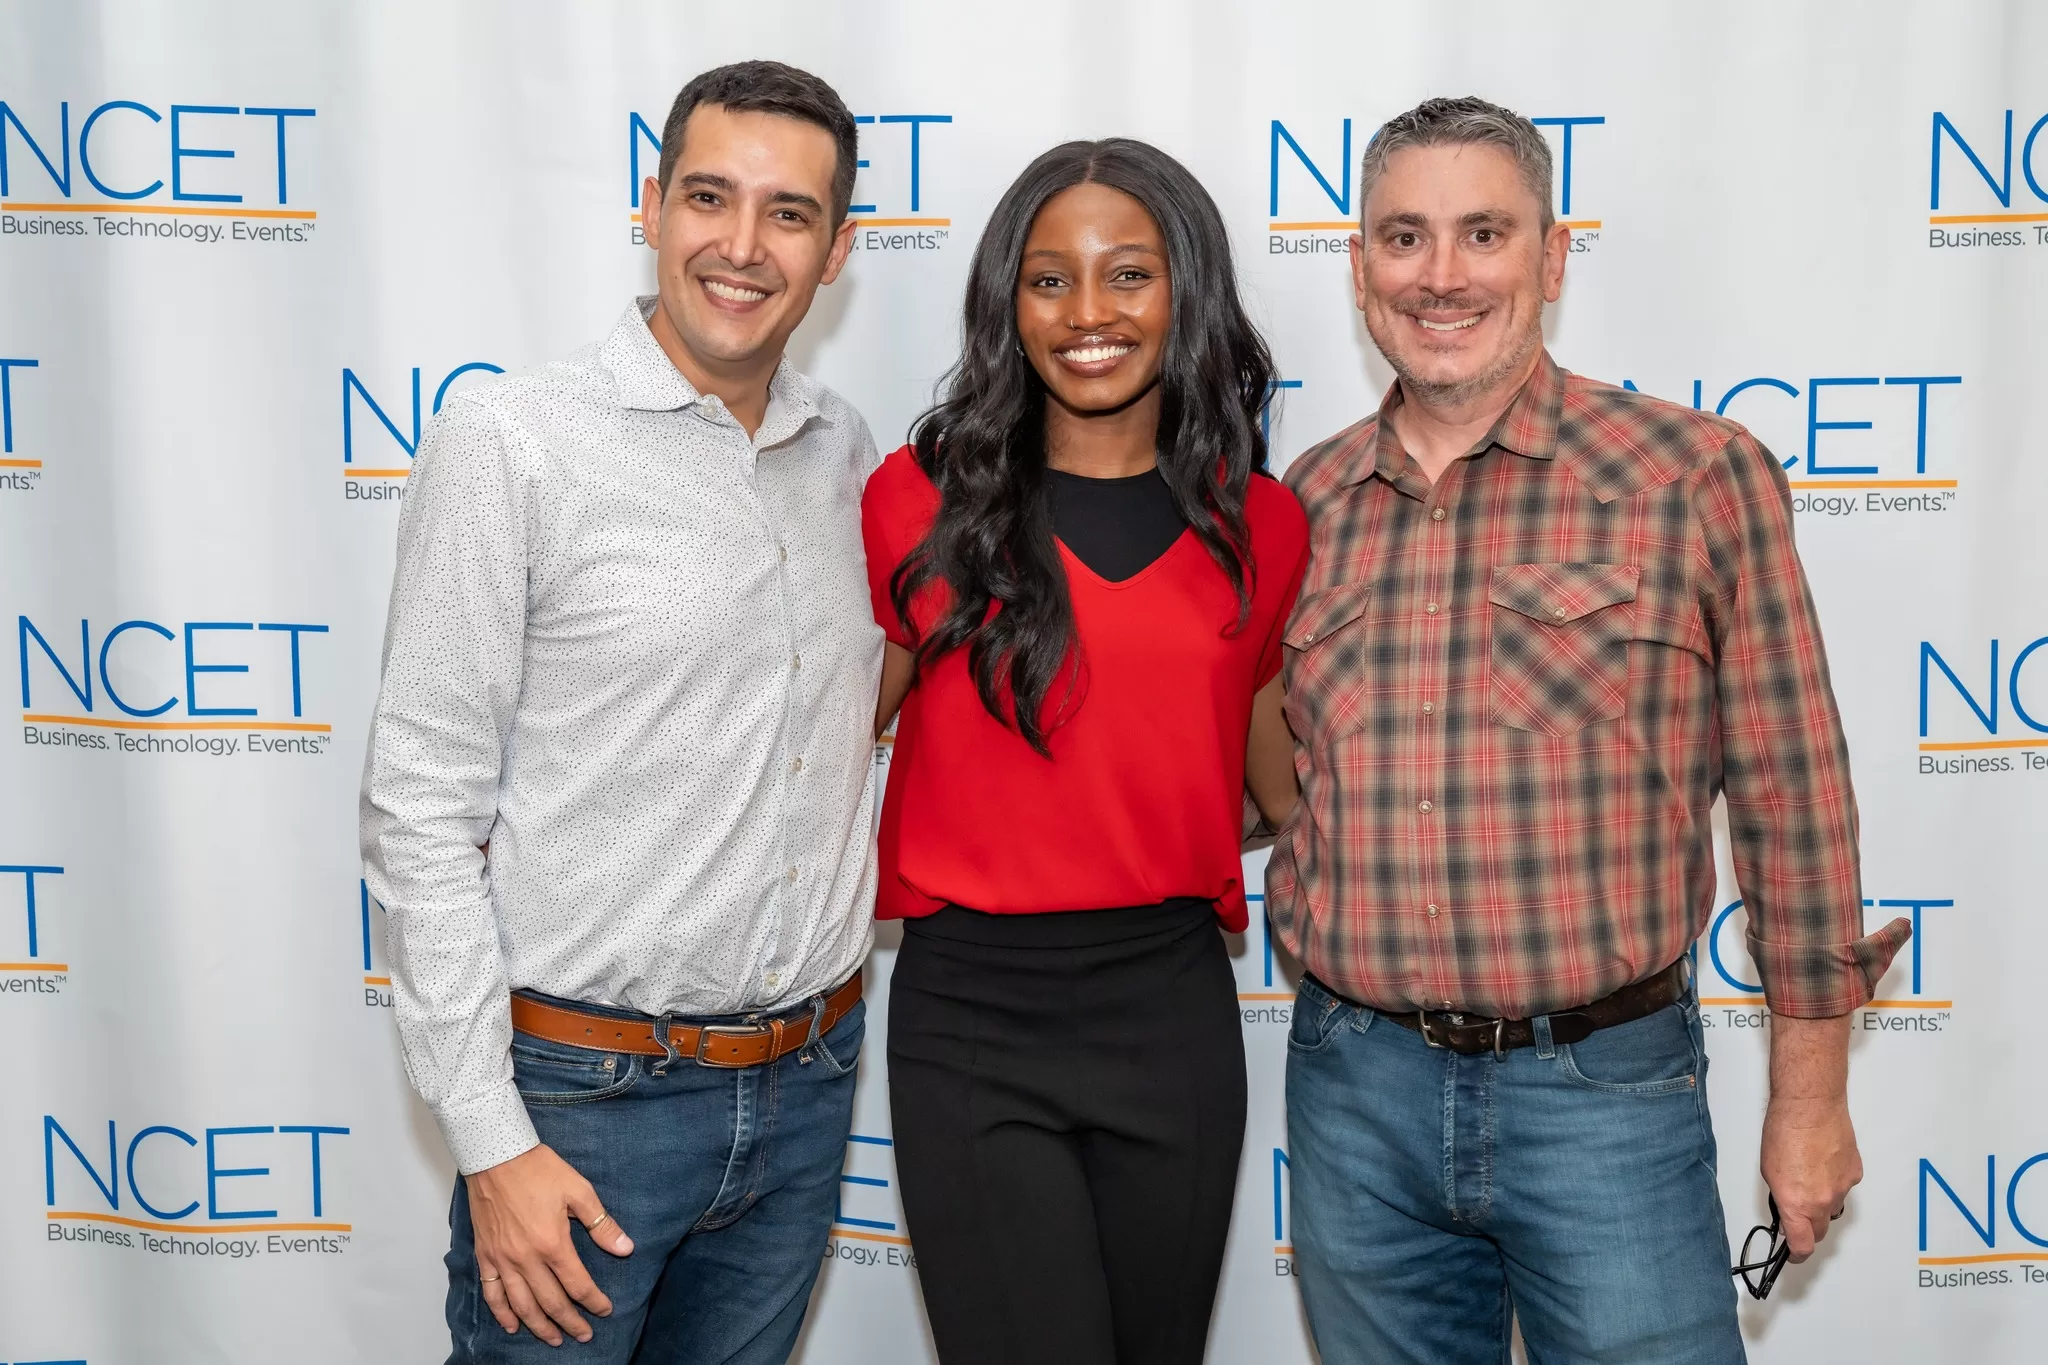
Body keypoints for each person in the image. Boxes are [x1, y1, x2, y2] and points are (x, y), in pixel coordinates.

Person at [1267, 96, 1911, 1365]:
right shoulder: (1306, 502)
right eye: (1402, 238)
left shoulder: (1691, 475)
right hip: (1351, 1091)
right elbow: (1273, 782)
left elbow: (1792, 798)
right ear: (1356, 269)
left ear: (1551, 257)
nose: (1439, 276)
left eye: (1482, 234)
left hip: (1602, 1096)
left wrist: (1808, 1100)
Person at [360, 61, 882, 1364]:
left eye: (789, 213)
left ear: (837, 252)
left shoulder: (848, 456)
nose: (743, 246)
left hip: (810, 1085)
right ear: (650, 208)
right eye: (710, 197)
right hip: (586, 1108)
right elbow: (421, 808)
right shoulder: (514, 437)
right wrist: (493, 1142)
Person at [864, 139, 1308, 1365]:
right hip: (969, 1016)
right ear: (1007, 303)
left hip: (1169, 1010)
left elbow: (1270, 787)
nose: (1087, 313)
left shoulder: (1262, 525)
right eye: (1047, 279)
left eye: (1128, 274)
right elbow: (832, 737)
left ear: (1187, 294)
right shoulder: (914, 501)